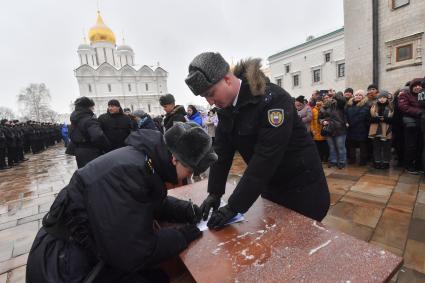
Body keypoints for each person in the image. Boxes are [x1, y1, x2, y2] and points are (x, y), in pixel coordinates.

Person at [26, 123, 217, 283]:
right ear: (175, 159)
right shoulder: (128, 173)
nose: (189, 177)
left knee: (158, 276)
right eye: (191, 171)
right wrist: (182, 236)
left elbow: (147, 201)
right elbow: (134, 252)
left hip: (83, 250)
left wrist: (186, 210)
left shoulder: (144, 161)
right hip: (63, 267)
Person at [184, 52, 330, 229]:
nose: (210, 101)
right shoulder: (226, 109)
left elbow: (266, 157)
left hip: (303, 189)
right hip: (271, 187)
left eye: (211, 93)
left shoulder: (273, 99)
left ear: (227, 79)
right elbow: (221, 153)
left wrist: (233, 207)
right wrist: (214, 192)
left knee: (303, 245)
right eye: (204, 97)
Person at [69, 97, 111, 168]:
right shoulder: (90, 119)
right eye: (92, 107)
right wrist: (107, 147)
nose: (93, 109)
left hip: (79, 151)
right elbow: (98, 136)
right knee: (95, 173)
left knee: (84, 173)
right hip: (91, 151)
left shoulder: (75, 119)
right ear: (88, 107)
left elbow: (71, 134)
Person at [398, 78, 423, 174]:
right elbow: (404, 107)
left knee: (420, 145)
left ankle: (418, 165)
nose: (417, 87)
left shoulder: (422, 95)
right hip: (411, 124)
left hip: (421, 124)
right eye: (415, 85)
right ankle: (408, 165)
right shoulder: (405, 94)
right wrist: (419, 112)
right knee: (410, 145)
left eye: (419, 85)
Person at [319, 92, 347, 169]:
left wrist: (335, 95)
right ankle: (333, 161)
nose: (327, 98)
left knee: (340, 147)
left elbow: (343, 100)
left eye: (329, 97)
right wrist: (322, 121)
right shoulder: (324, 107)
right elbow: (320, 118)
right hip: (328, 129)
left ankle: (342, 161)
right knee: (331, 147)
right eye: (325, 97)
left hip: (340, 129)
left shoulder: (339, 105)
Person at [345, 90, 370, 166]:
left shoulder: (365, 105)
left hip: (361, 128)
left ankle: (363, 160)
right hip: (350, 128)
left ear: (363, 97)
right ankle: (352, 159)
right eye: (356, 95)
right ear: (354, 96)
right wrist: (346, 122)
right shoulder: (349, 105)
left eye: (360, 95)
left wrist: (351, 123)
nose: (358, 96)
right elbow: (345, 114)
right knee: (351, 145)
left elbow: (362, 116)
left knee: (362, 145)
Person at [369, 91, 393, 169]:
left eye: (384, 97)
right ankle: (377, 162)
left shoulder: (391, 107)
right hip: (375, 128)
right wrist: (376, 119)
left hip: (387, 129)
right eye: (380, 98)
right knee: (376, 147)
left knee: (386, 147)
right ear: (378, 98)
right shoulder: (373, 106)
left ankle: (386, 162)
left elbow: (393, 119)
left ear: (387, 98)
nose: (382, 99)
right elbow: (368, 118)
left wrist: (385, 119)